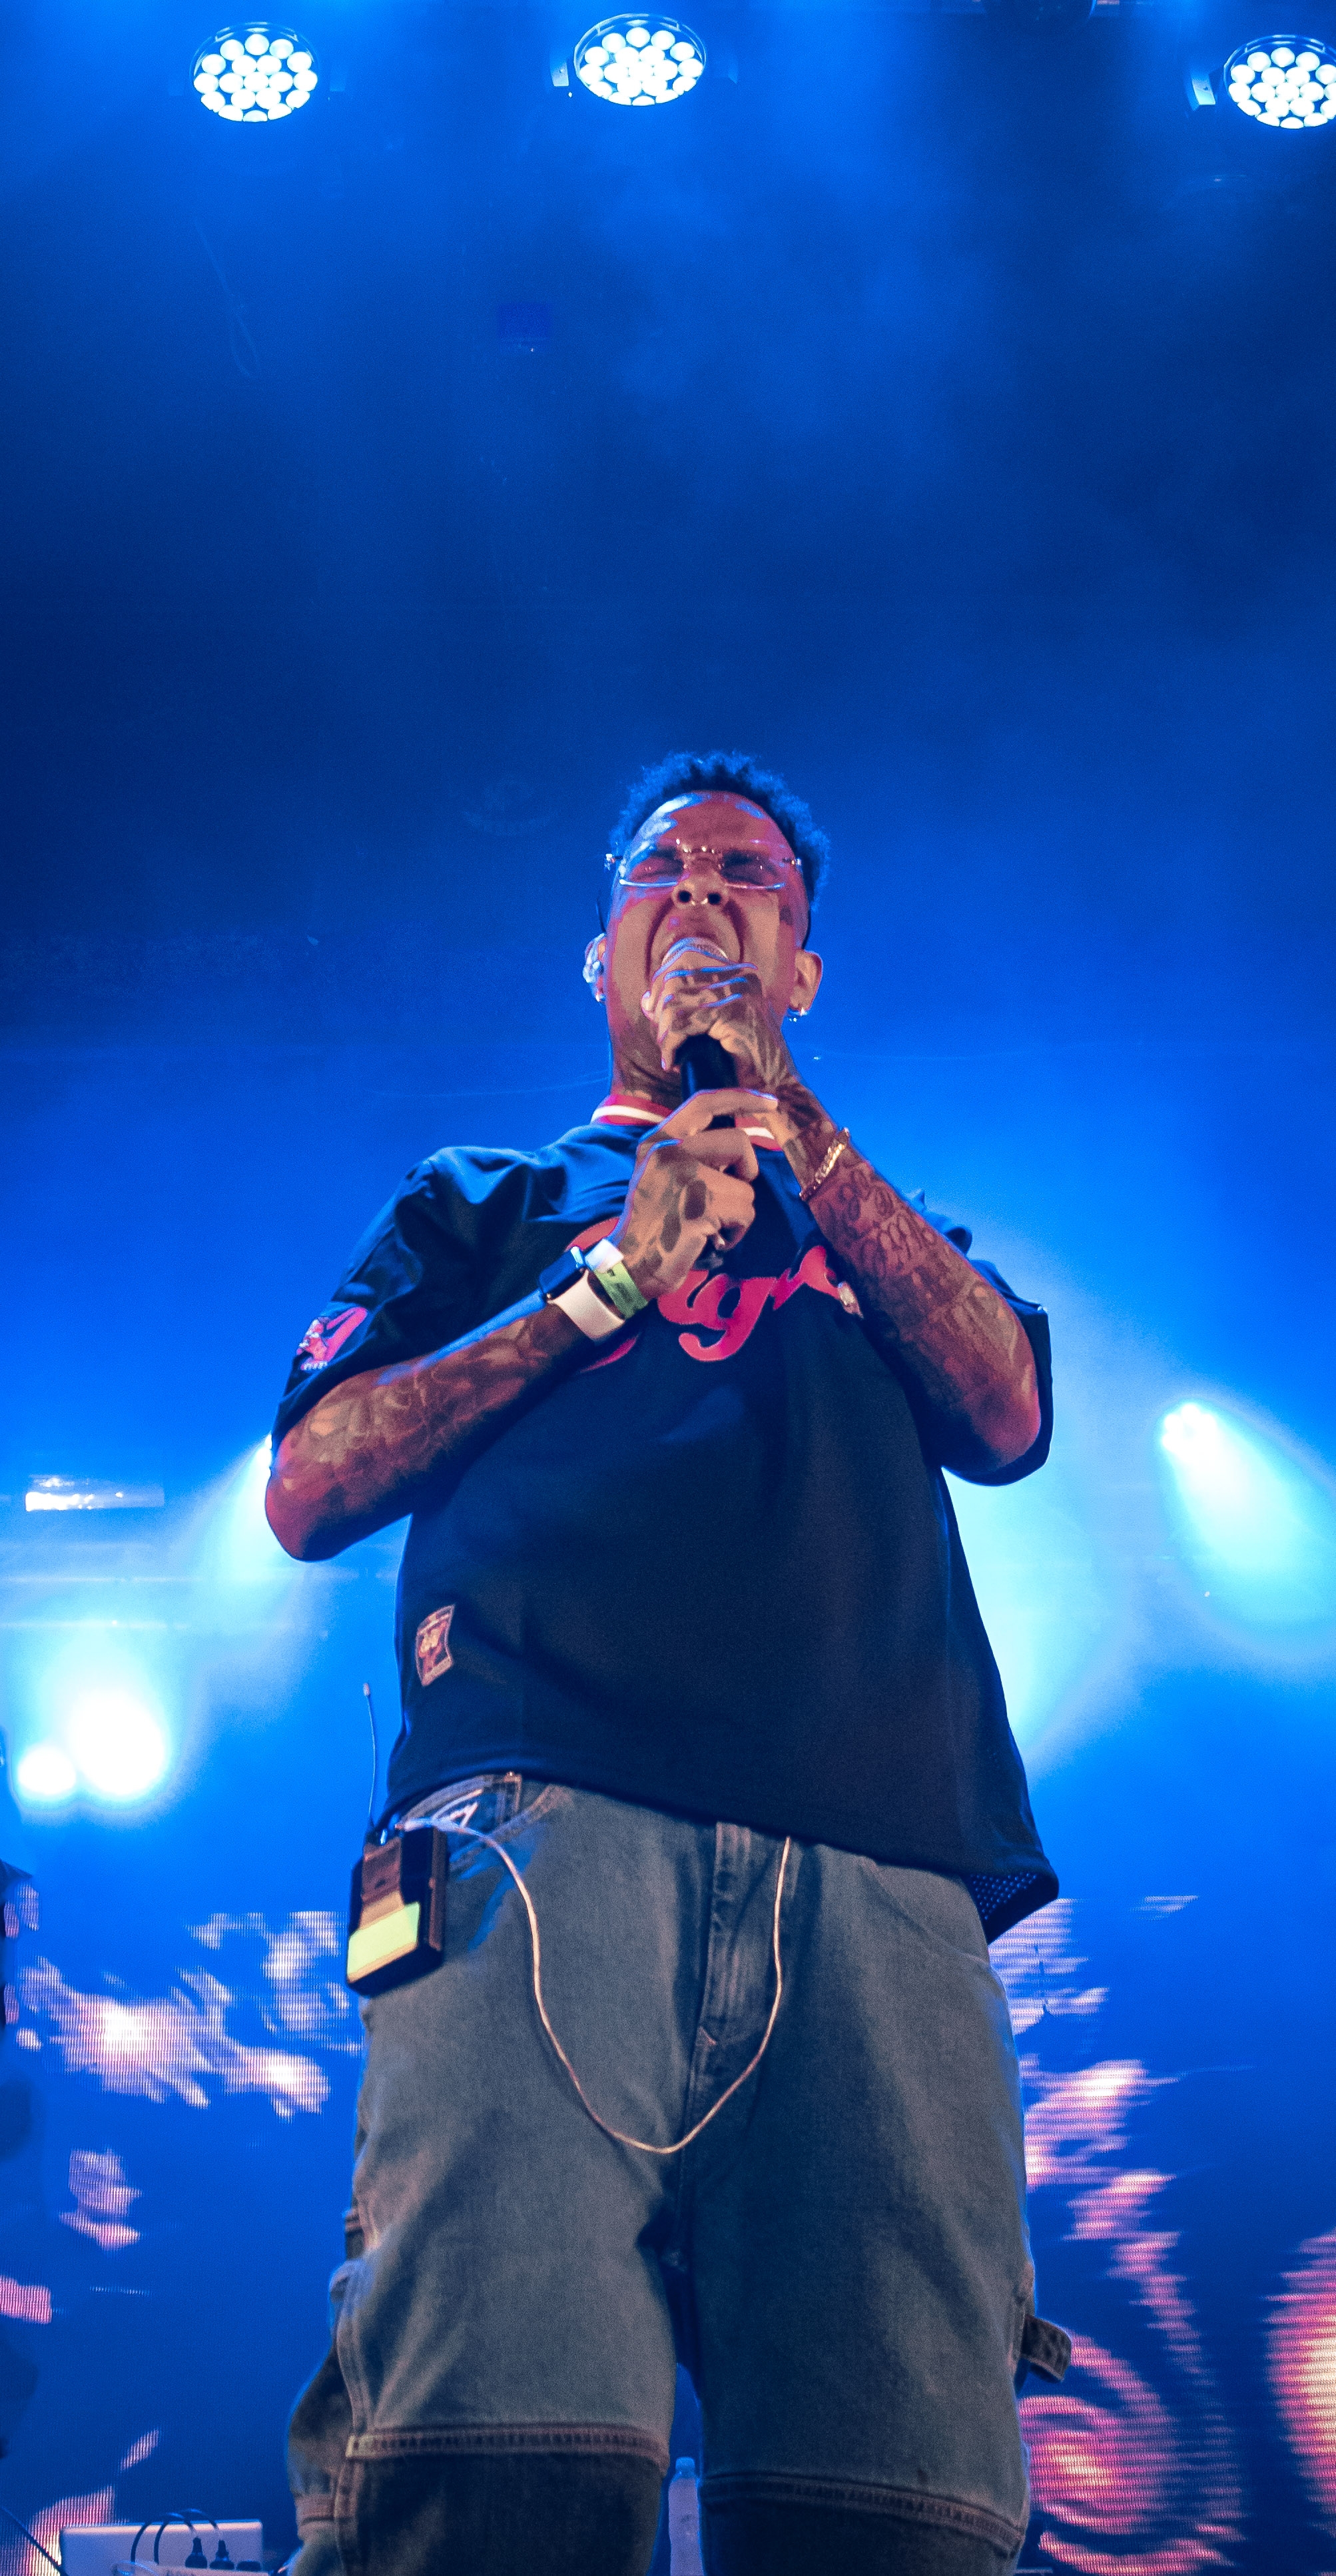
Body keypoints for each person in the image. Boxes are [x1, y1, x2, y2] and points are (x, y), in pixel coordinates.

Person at [266, 751, 1064, 2576]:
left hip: (880, 1874)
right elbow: (310, 1485)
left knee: (901, 2516)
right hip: (539, 1846)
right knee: (495, 2480)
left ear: (801, 968)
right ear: (600, 952)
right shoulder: (484, 1200)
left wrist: (798, 1135)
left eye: (748, 874)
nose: (700, 888)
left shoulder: (880, 1231)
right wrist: (608, 1280)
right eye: (663, 866)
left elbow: (1009, 1411)